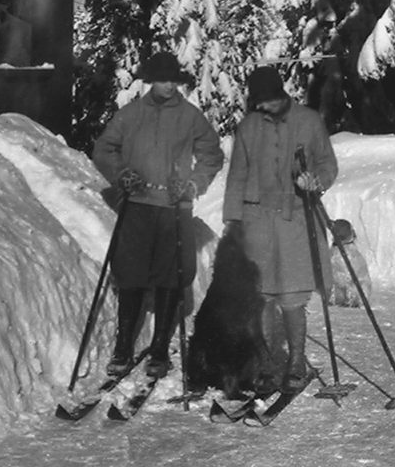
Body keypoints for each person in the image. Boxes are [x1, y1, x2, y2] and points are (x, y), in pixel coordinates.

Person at [92, 51, 224, 379]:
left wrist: (193, 184)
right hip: (137, 206)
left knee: (171, 277)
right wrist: (121, 175)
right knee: (130, 275)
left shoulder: (191, 117)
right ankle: (123, 347)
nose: (169, 86)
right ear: (151, 81)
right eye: (163, 80)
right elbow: (104, 149)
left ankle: (160, 350)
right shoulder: (131, 115)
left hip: (174, 209)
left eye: (173, 81)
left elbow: (212, 154)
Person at [223, 65, 338, 391]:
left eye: (267, 100)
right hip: (257, 221)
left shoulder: (309, 121)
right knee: (260, 296)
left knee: (291, 296)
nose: (262, 107)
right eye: (257, 101)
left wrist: (316, 180)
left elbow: (328, 164)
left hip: (296, 222)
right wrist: (233, 222)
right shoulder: (248, 127)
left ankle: (296, 361)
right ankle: (266, 362)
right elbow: (237, 176)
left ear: (280, 94)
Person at [328, 218, 373, 307]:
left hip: (356, 289)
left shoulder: (350, 254)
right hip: (341, 289)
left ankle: (351, 300)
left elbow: (350, 278)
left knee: (352, 278)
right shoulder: (334, 250)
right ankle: (337, 298)